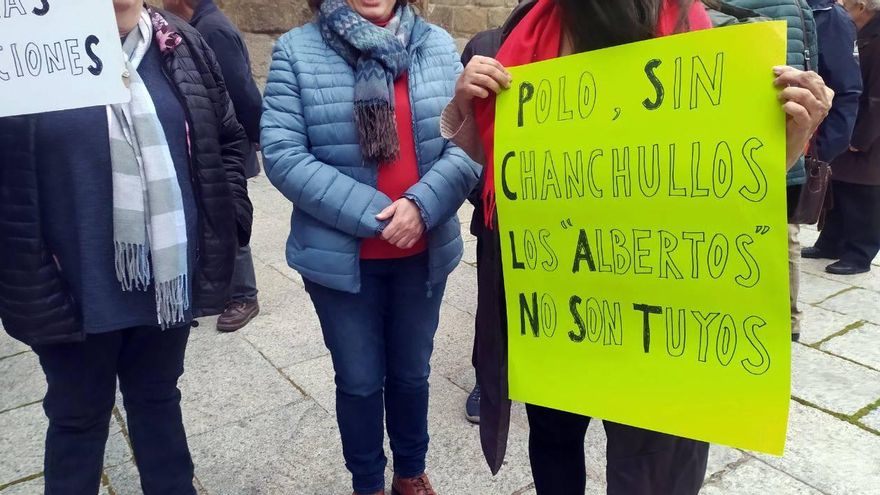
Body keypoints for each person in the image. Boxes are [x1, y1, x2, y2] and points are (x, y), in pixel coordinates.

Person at [442, 0, 833, 493]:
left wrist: (792, 137)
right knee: (555, 440)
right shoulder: (520, 32)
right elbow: (499, 165)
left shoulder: (704, 31)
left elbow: (726, 181)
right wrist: (465, 104)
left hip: (657, 301)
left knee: (651, 462)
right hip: (561, 301)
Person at [0, 0, 252, 492]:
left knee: (158, 400)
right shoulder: (24, 51)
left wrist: (230, 216)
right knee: (77, 419)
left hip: (168, 279)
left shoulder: (179, 42)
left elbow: (225, 136)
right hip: (70, 290)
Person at [260, 0, 480, 493]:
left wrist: (421, 206)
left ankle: (409, 471)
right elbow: (282, 153)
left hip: (422, 253)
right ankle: (367, 482)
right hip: (342, 259)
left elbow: (467, 142)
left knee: (410, 374)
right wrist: (375, 217)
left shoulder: (437, 45)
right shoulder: (297, 51)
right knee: (359, 381)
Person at [162, 0, 264, 331]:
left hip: (226, 142)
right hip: (207, 145)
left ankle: (245, 295)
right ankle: (219, 289)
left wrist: (260, 134)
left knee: (228, 212)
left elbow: (242, 91)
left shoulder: (212, 30)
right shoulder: (196, 27)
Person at [804, 0, 880, 275]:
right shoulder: (856, 29)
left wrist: (860, 137)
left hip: (868, 132)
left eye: (846, 2)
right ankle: (831, 242)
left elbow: (877, 98)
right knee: (837, 189)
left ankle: (860, 253)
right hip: (847, 121)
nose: (839, 4)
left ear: (862, 7)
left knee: (863, 196)